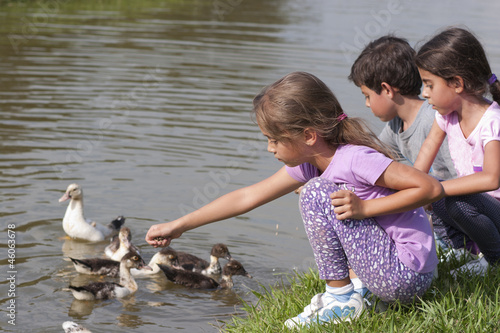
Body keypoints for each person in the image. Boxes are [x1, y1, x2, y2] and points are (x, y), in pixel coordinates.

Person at [146, 71, 444, 328]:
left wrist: (365, 208)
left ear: (309, 135)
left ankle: (341, 301)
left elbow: (429, 189)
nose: (269, 148)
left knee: (315, 193)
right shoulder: (310, 163)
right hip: (388, 273)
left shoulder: (355, 159)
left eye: (274, 139)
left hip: (406, 275)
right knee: (317, 190)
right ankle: (355, 292)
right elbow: (248, 196)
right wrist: (180, 225)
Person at [348, 35, 476, 256]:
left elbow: (463, 174)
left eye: (367, 96)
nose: (367, 104)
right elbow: (373, 158)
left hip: (462, 208)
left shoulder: (433, 119)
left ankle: (462, 248)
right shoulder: (395, 125)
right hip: (439, 209)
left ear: (387, 89)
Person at [414, 27, 500, 276]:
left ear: (457, 83)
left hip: (494, 207)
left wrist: (437, 189)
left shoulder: (492, 122)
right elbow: (428, 148)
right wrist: (413, 186)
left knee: (453, 199)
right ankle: (463, 251)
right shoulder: (446, 116)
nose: (424, 93)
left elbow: (491, 178)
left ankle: (494, 260)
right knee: (433, 189)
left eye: (429, 85)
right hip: (480, 206)